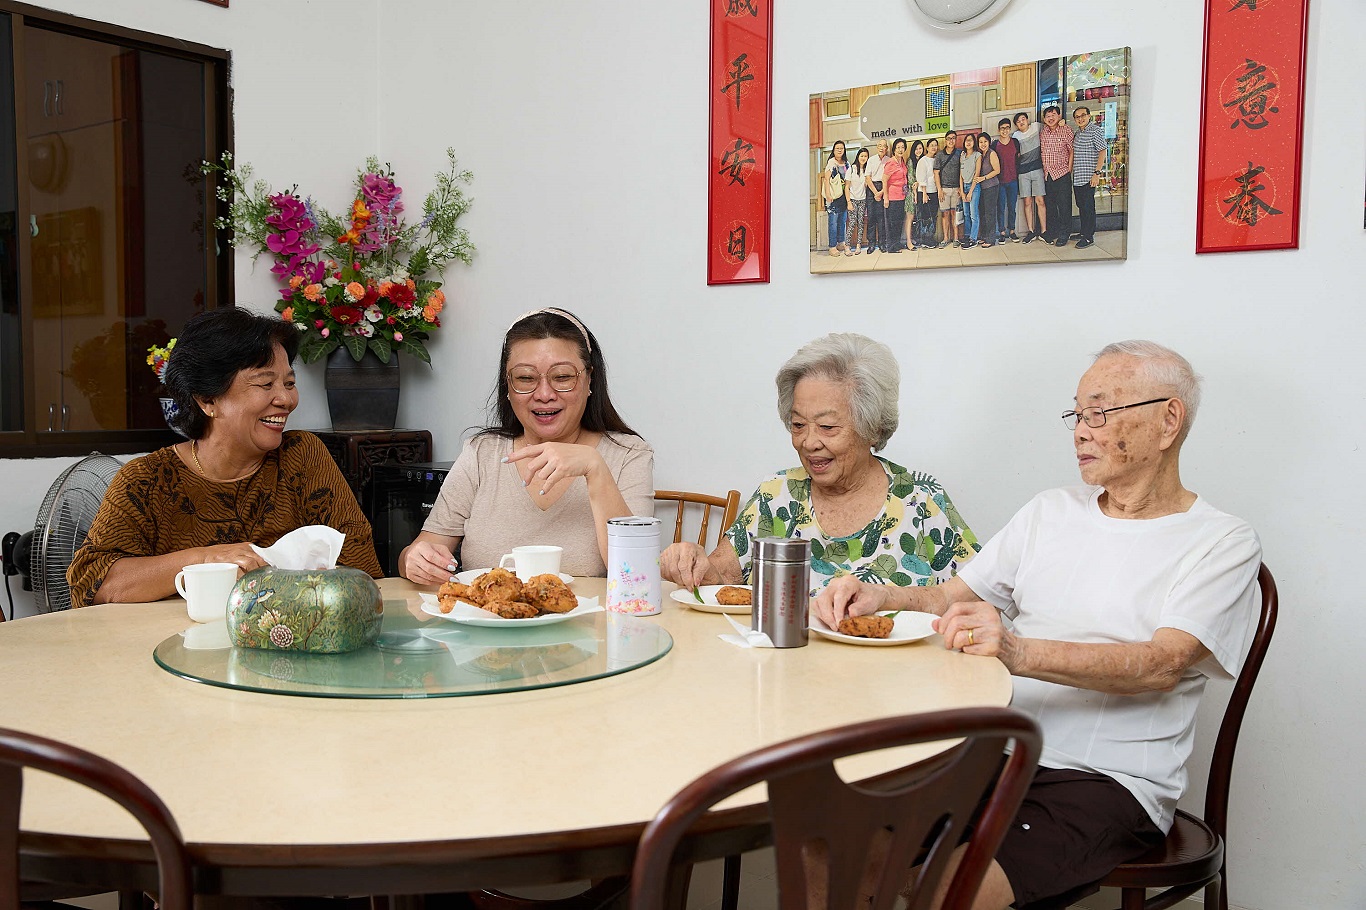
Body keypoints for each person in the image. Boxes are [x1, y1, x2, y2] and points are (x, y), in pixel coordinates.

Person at [814, 341, 1261, 910]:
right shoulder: (1050, 511)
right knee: (828, 842)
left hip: (1105, 780)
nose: (1080, 430)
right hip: (990, 753)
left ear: (1167, 420)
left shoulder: (1221, 540)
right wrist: (882, 596)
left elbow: (1161, 664)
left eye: (1099, 412)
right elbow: (953, 594)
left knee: (948, 893)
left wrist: (1017, 652)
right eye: (1076, 414)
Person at [67, 307, 382, 607]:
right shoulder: (147, 481)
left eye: (289, 383)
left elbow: (363, 568)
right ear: (207, 400)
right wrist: (203, 559)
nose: (286, 399)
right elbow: (93, 582)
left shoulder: (303, 457)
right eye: (265, 383)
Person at [660, 333, 978, 597]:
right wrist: (693, 563)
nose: (808, 442)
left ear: (872, 428)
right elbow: (720, 579)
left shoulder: (920, 500)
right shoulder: (777, 496)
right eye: (798, 425)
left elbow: (981, 598)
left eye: (827, 427)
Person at [400, 308, 653, 582]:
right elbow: (421, 551)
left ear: (589, 379)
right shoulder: (481, 453)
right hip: (489, 622)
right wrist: (414, 561)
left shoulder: (629, 455)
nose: (544, 394)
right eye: (525, 378)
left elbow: (636, 576)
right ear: (507, 387)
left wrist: (595, 468)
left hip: (593, 624)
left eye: (563, 377)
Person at [1070, 106, 1107, 249]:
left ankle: (1089, 236)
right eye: (1077, 117)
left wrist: (1097, 173)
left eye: (1083, 115)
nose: (1080, 118)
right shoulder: (1078, 133)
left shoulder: (1095, 131)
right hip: (1078, 176)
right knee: (1081, 206)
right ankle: (1083, 232)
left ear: (1089, 116)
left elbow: (1103, 151)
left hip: (1089, 176)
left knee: (1088, 207)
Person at [1039, 104, 1074, 247]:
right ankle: (1053, 231)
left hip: (1062, 174)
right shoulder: (1043, 132)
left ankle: (1064, 234)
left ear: (1059, 116)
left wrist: (1069, 170)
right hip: (1047, 175)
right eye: (1047, 116)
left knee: (1064, 206)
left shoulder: (1066, 130)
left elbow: (1072, 151)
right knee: (1051, 206)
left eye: (1053, 115)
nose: (1050, 118)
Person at [1012, 111, 1047, 243]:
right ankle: (1031, 231)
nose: (1021, 122)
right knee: (1027, 202)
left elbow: (1050, 126)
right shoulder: (1016, 136)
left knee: (1040, 201)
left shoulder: (1037, 127)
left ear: (1027, 120)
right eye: (1018, 121)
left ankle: (1044, 231)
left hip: (1038, 169)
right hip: (1023, 172)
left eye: (1023, 119)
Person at [991, 118, 1020, 243]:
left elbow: (1018, 159)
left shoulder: (1015, 142)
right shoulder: (995, 144)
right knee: (1001, 207)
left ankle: (1012, 231)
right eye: (1002, 128)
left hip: (1013, 180)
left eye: (1007, 128)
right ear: (999, 130)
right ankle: (1002, 232)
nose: (1005, 130)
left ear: (1010, 129)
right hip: (1000, 182)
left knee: (1012, 206)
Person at [972, 132, 1001, 248]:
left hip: (991, 186)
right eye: (980, 142)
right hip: (982, 188)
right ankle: (984, 236)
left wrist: (983, 178)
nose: (983, 144)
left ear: (989, 142)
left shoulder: (991, 153)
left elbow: (997, 170)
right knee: (983, 212)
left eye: (985, 141)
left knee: (990, 213)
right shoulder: (980, 155)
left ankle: (991, 239)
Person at [881, 138, 910, 254]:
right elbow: (884, 180)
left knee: (899, 221)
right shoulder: (891, 162)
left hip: (901, 196)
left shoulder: (902, 161)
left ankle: (897, 243)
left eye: (902, 147)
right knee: (892, 223)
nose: (900, 149)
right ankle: (891, 247)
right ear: (894, 149)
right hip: (892, 197)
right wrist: (886, 198)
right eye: (898, 147)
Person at [934, 131, 962, 249]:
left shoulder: (960, 153)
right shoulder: (940, 155)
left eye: (953, 138)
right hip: (944, 189)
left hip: (956, 189)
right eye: (949, 138)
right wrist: (939, 189)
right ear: (945, 140)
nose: (951, 141)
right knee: (945, 214)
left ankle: (956, 238)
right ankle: (946, 238)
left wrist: (961, 187)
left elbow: (962, 171)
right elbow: (936, 172)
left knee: (955, 213)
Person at [822, 140, 849, 256]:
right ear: (833, 150)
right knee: (833, 222)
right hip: (832, 196)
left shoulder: (846, 163)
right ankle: (832, 246)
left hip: (843, 196)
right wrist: (828, 195)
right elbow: (826, 179)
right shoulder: (831, 162)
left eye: (841, 148)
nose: (839, 150)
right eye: (837, 148)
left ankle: (841, 242)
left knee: (842, 221)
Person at [913, 138, 940, 250]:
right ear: (927, 147)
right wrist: (924, 193)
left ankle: (930, 238)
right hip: (924, 192)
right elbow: (921, 178)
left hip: (934, 191)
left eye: (935, 145)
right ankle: (924, 240)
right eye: (931, 145)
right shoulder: (923, 161)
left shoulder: (936, 159)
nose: (934, 147)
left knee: (932, 216)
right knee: (925, 217)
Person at [864, 138, 889, 253]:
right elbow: (867, 178)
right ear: (876, 147)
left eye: (884, 146)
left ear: (887, 149)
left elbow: (889, 179)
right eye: (879, 145)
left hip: (884, 188)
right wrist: (875, 193)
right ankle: (871, 244)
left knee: (882, 218)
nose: (881, 148)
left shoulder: (889, 160)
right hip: (872, 189)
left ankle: (882, 243)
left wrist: (882, 192)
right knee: (871, 218)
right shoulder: (871, 160)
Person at [845, 147, 870, 257]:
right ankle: (847, 246)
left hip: (863, 199)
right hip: (853, 199)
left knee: (861, 222)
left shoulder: (867, 170)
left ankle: (859, 245)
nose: (863, 158)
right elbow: (847, 187)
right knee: (852, 223)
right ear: (858, 156)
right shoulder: (851, 168)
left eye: (865, 156)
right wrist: (849, 202)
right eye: (862, 156)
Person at [957, 134, 981, 248]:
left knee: (973, 214)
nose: (968, 142)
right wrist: (962, 192)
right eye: (967, 140)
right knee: (966, 214)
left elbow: (977, 174)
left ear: (974, 142)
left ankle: (973, 238)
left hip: (974, 187)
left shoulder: (977, 155)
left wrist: (970, 192)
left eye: (971, 140)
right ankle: (967, 235)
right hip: (964, 187)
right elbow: (960, 175)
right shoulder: (962, 155)